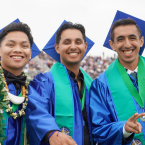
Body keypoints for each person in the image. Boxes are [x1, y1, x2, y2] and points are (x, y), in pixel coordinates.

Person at [26, 22, 94, 145]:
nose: (73, 47)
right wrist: (51, 132)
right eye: (67, 42)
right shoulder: (43, 82)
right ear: (57, 47)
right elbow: (36, 111)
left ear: (85, 46)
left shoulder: (93, 85)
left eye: (78, 42)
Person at [90, 18, 145, 145]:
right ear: (112, 44)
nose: (127, 44)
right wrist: (124, 129)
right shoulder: (100, 85)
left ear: (141, 41)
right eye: (120, 39)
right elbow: (98, 130)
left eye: (132, 38)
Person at [0, 22, 34, 145]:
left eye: (24, 46)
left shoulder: (34, 89)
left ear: (30, 53)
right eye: (10, 44)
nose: (18, 50)